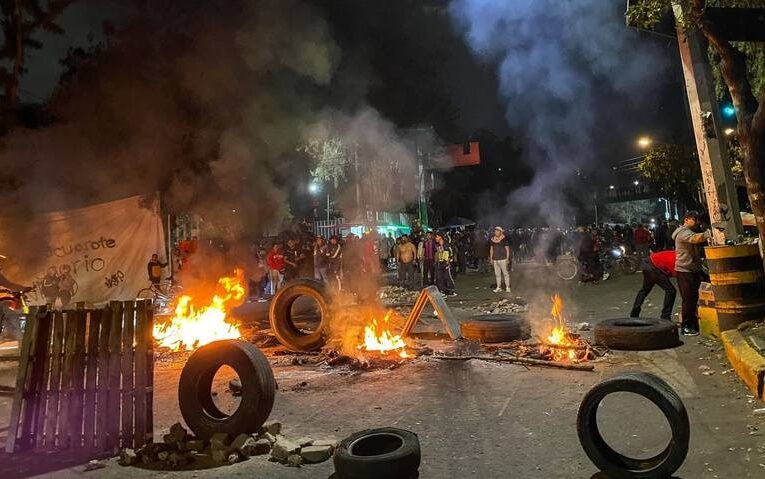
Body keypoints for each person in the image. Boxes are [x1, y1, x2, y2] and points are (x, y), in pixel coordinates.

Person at [672, 211, 712, 336]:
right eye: (695, 219)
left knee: (694, 298)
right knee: (688, 299)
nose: (697, 222)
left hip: (692, 269)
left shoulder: (688, 231)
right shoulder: (683, 232)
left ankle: (693, 324)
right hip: (684, 270)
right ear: (687, 219)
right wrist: (709, 233)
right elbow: (695, 239)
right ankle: (686, 326)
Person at [630, 250, 677, 320]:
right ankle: (665, 316)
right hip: (653, 266)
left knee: (645, 290)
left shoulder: (679, 254)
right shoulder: (682, 260)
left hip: (648, 263)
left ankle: (634, 313)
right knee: (671, 291)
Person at [489, 226, 511, 293]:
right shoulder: (492, 239)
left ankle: (507, 287)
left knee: (505, 274)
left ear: (500, 232)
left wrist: (507, 259)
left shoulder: (504, 239)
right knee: (497, 274)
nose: (496, 232)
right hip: (495, 259)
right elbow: (491, 249)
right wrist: (491, 258)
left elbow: (507, 250)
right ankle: (498, 287)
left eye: (497, 231)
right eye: (495, 231)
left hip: (503, 259)